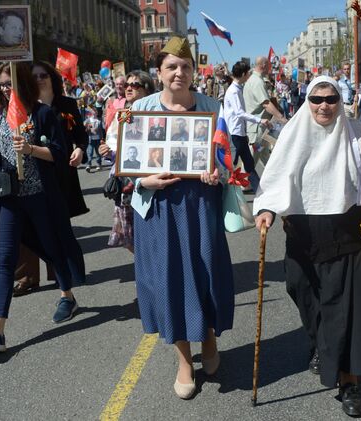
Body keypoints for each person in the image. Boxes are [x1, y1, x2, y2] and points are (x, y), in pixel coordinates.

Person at [253, 76, 361, 418]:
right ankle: (321, 345)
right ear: (307, 101)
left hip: (347, 235)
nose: (323, 105)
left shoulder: (356, 132)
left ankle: (350, 381)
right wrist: (267, 209)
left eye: (330, 98)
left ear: (339, 101)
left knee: (345, 311)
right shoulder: (293, 135)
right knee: (304, 294)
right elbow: (275, 179)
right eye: (316, 99)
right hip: (304, 235)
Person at [130, 36, 234, 400]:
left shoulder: (211, 107)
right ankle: (183, 361)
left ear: (194, 72)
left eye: (185, 66)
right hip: (157, 208)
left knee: (204, 274)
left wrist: (216, 171)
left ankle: (207, 336)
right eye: (171, 66)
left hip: (199, 204)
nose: (179, 72)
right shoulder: (138, 108)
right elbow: (124, 166)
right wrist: (144, 179)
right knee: (169, 280)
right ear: (158, 73)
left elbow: (227, 156)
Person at [0, 62, 81, 352]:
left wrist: (30, 149)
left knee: (52, 248)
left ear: (24, 85)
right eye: (3, 85)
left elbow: (59, 154)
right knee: (5, 258)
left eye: (11, 84)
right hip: (10, 199)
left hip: (41, 196)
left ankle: (67, 296)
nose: (7, 90)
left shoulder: (43, 113)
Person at [10, 60, 89, 296]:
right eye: (34, 77)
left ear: (52, 77)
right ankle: (27, 276)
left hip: (61, 170)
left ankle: (61, 273)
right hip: (33, 171)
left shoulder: (67, 104)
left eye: (43, 75)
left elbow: (80, 134)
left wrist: (80, 149)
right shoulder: (23, 107)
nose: (39, 79)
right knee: (29, 224)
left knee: (57, 223)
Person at [99, 70, 155, 253]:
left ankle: (152, 268)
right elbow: (113, 143)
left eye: (135, 85)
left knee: (150, 228)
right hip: (125, 180)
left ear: (147, 89)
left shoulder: (157, 112)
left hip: (151, 178)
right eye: (127, 84)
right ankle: (144, 266)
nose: (129, 87)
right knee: (129, 234)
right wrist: (107, 151)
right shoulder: (122, 114)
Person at [224, 60, 268, 193]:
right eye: (248, 73)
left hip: (240, 133)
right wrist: (259, 120)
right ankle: (230, 194)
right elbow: (239, 113)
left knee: (248, 164)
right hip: (234, 134)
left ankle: (259, 191)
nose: (249, 75)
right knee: (233, 167)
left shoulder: (238, 88)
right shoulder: (233, 91)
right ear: (243, 74)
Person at [244, 55, 287, 165]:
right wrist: (282, 118)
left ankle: (271, 181)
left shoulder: (255, 80)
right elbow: (266, 103)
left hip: (262, 127)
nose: (271, 67)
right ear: (263, 65)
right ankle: (243, 182)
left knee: (266, 158)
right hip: (257, 129)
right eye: (269, 65)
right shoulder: (257, 81)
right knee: (251, 164)